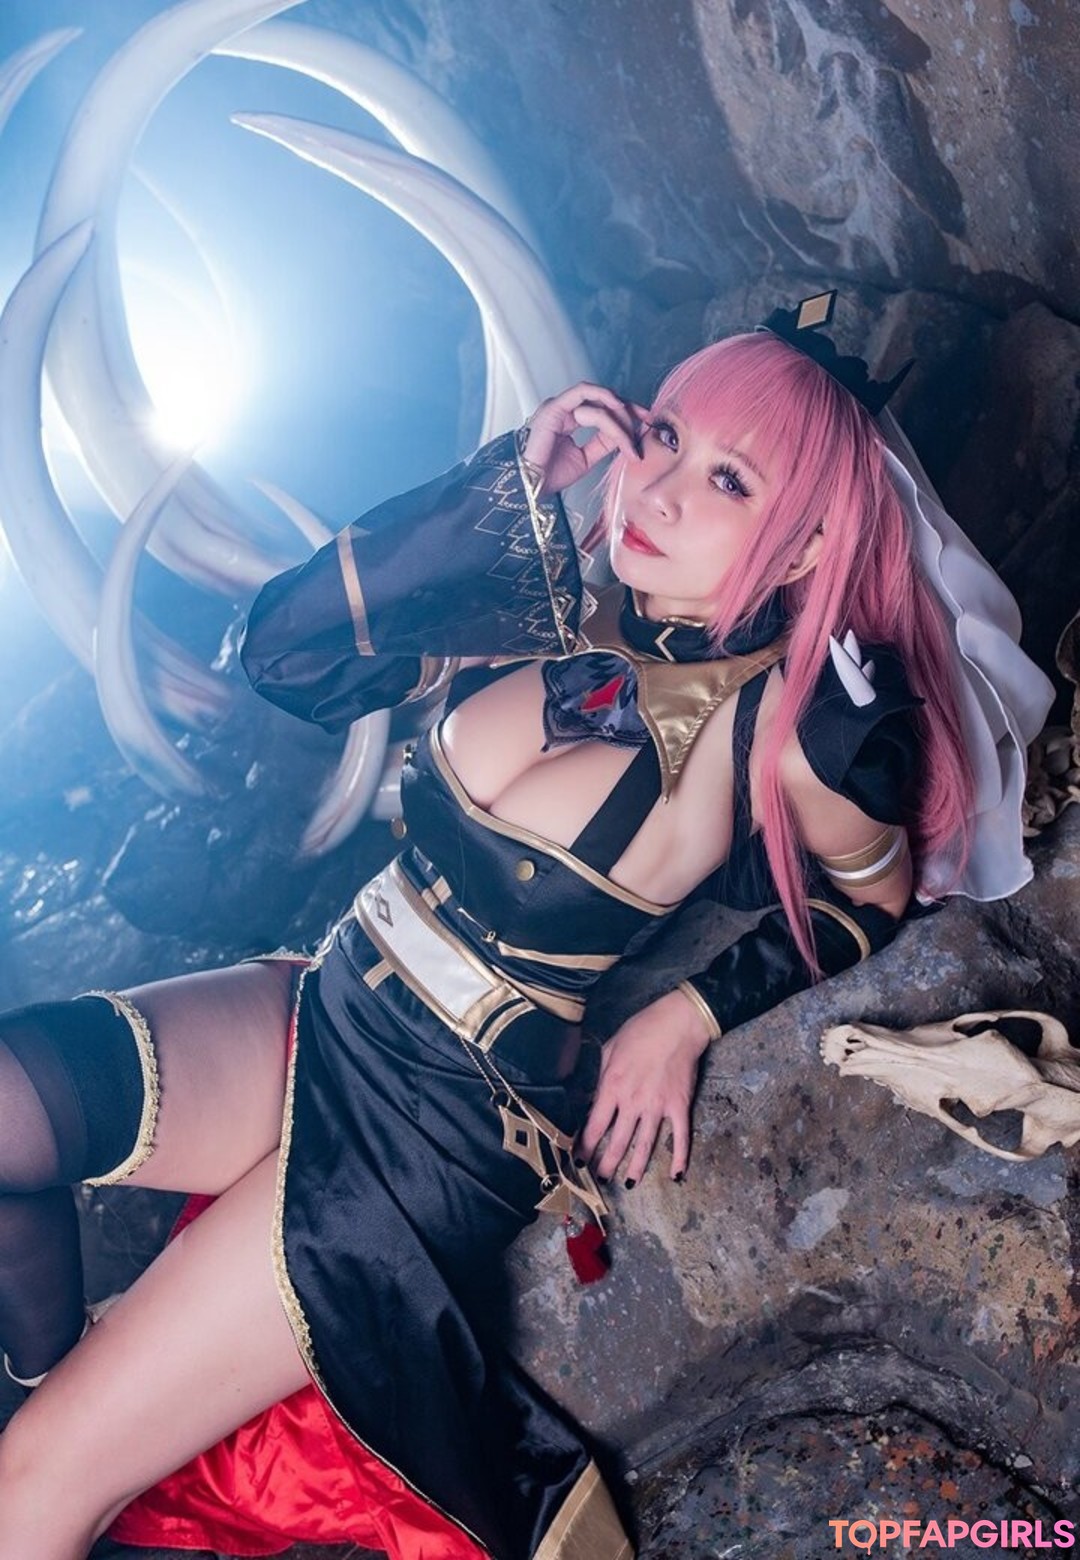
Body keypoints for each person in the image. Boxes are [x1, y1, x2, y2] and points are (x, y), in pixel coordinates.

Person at [0, 298, 1052, 1560]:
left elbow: (868, 899)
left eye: (727, 479)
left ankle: (66, 1445)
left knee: (28, 1488)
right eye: (664, 436)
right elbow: (280, 654)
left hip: (435, 1128)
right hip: (328, 998)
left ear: (806, 543)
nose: (658, 487)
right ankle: (72, 1386)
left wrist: (687, 1014)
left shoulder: (801, 725)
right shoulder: (553, 595)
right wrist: (504, 485)